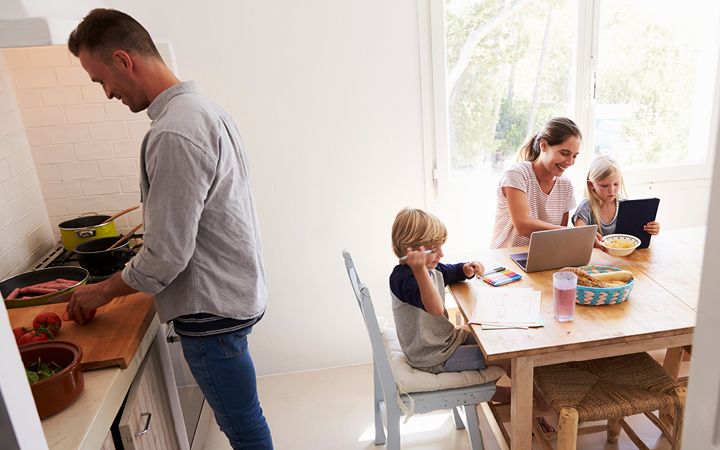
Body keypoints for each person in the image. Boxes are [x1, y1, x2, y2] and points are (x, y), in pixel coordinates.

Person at [65, 9, 273, 449]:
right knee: (244, 419)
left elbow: (165, 257)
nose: (107, 94)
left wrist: (99, 291)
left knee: (244, 427)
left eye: (102, 79)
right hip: (230, 297)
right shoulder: (202, 111)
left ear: (124, 60)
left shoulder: (174, 132)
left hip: (210, 312)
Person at [389, 208, 509, 401]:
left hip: (447, 341)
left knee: (498, 343)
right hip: (432, 357)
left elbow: (450, 271)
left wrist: (466, 269)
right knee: (505, 357)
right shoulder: (403, 279)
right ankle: (502, 395)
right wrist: (419, 270)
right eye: (434, 250)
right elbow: (435, 308)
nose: (442, 254)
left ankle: (494, 389)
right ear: (410, 252)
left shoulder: (432, 268)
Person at [490, 117, 582, 249]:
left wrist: (582, 238)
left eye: (574, 156)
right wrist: (574, 233)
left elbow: (558, 235)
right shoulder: (517, 175)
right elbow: (523, 225)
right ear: (543, 145)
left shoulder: (565, 185)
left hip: (539, 259)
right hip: (504, 260)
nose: (570, 162)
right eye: (565, 153)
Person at [572, 155, 660, 243]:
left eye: (616, 184)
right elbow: (579, 235)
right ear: (591, 185)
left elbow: (633, 235)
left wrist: (652, 228)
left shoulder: (624, 205)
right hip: (596, 255)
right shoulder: (586, 207)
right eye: (605, 185)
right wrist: (587, 237)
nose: (611, 190)